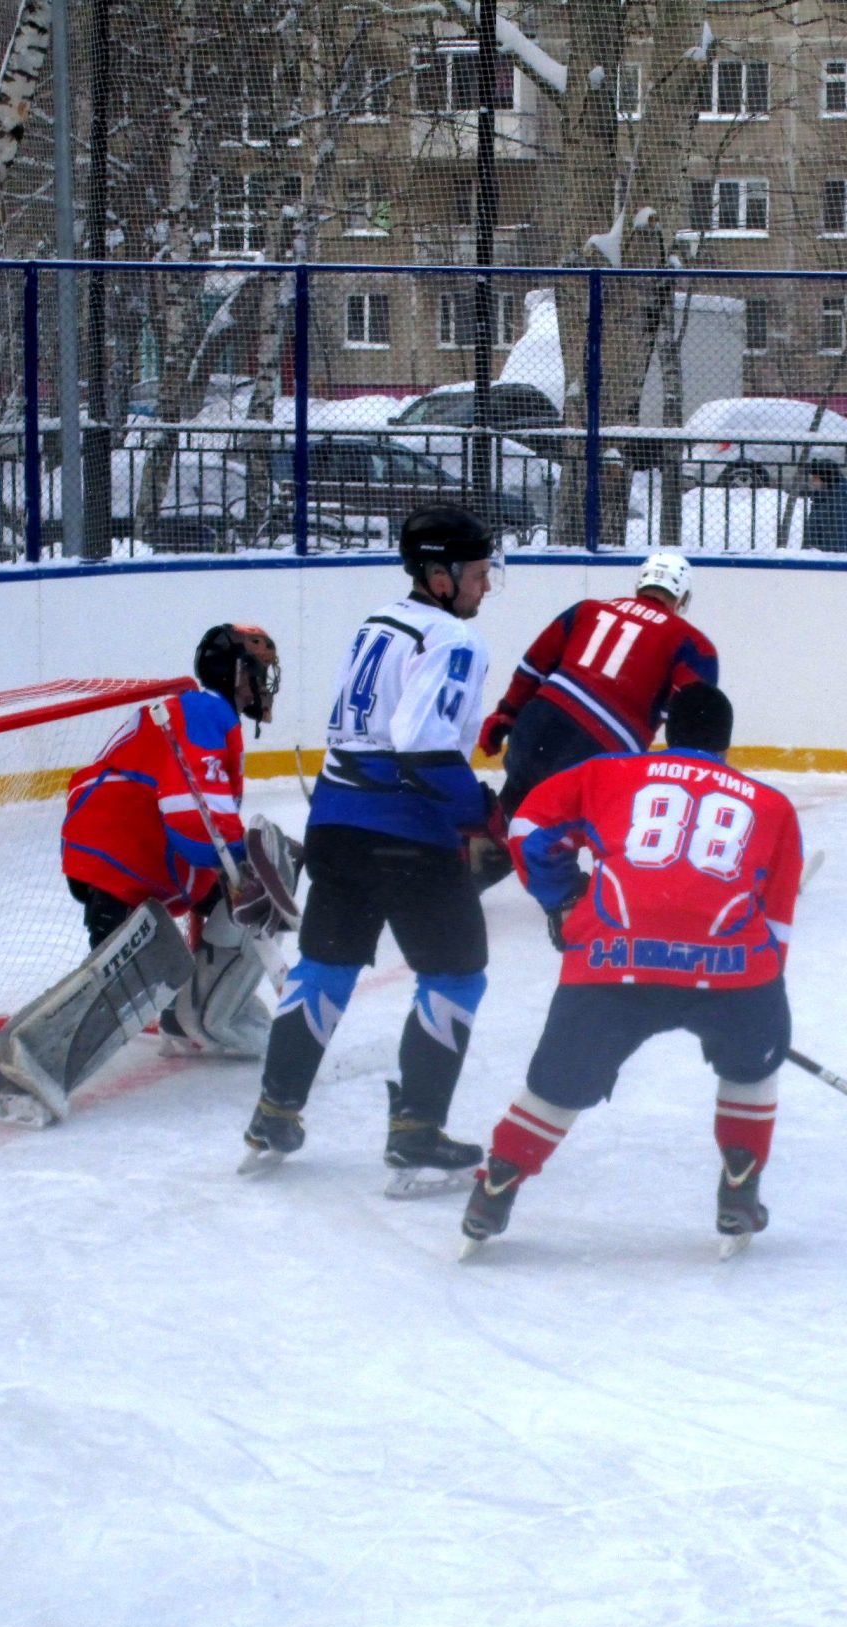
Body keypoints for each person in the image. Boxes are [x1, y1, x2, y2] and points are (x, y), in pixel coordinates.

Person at [459, 682, 806, 1256]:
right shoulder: (770, 805)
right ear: (726, 743)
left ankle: (497, 1183)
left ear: (668, 734)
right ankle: (740, 1187)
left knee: (559, 1085)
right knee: (751, 1069)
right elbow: (778, 923)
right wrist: (762, 1006)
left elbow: (526, 828)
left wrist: (563, 895)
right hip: (732, 971)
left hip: (611, 961)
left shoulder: (608, 773)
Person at [241, 505, 500, 1193]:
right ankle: (416, 1133)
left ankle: (275, 1112)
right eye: (478, 573)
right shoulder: (454, 640)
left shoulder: (377, 622)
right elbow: (423, 748)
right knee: (454, 975)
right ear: (440, 576)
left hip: (335, 826)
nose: (487, 585)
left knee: (325, 965)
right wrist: (484, 813)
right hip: (407, 834)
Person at [0, 623, 291, 1126]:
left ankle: (200, 1017)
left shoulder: (205, 714)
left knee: (259, 882)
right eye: (257, 673)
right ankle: (17, 1074)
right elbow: (191, 814)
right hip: (121, 849)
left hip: (134, 849)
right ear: (234, 672)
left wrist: (238, 869)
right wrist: (241, 859)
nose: (263, 685)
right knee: (134, 970)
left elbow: (197, 819)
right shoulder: (205, 711)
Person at [478, 549, 721, 817]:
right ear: (683, 596)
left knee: (512, 808)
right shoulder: (693, 644)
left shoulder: (588, 609)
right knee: (557, 832)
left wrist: (506, 714)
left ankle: (481, 849)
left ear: (640, 583)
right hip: (601, 748)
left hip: (538, 724)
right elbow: (693, 716)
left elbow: (533, 667)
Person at [799, 461, 847, 554]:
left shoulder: (833, 505)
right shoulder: (824, 500)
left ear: (826, 479)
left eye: (815, 478)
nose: (812, 482)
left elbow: (834, 543)